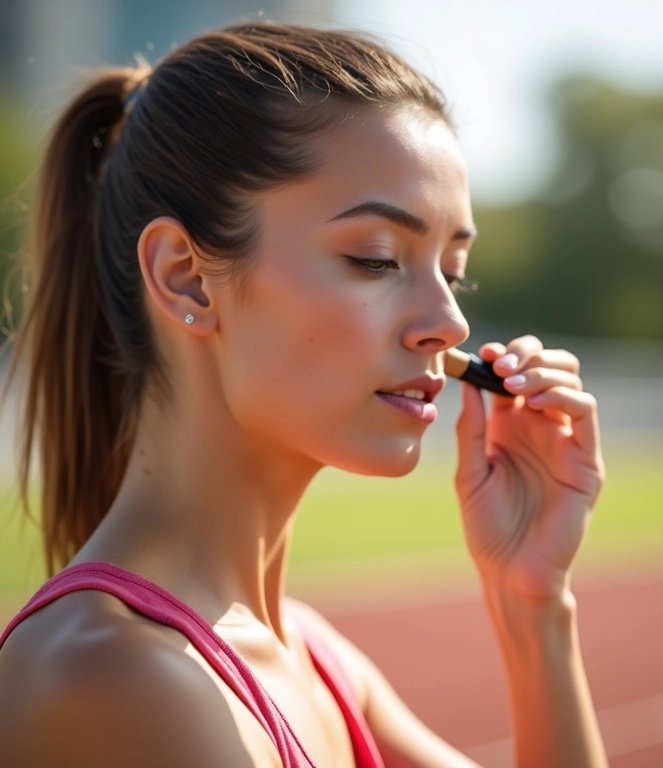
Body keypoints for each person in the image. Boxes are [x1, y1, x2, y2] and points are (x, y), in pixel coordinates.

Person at [0, 22, 608, 768]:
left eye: (454, 271)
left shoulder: (319, 660)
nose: (449, 324)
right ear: (186, 275)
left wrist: (533, 603)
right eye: (376, 259)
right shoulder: (115, 676)